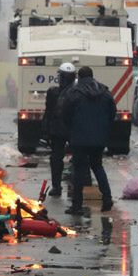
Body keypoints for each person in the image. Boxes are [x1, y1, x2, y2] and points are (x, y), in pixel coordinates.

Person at [61, 66, 115, 216]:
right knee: (97, 166)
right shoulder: (104, 92)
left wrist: (70, 130)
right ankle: (107, 198)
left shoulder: (74, 93)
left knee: (78, 170)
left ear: (79, 76)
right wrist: (104, 130)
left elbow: (65, 113)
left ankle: (76, 205)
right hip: (99, 138)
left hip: (79, 138)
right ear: (92, 76)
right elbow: (112, 113)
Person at [43, 63, 77, 197]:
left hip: (58, 131)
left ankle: (57, 187)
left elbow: (48, 112)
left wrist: (45, 131)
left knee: (56, 159)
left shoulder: (53, 92)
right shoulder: (77, 92)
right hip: (72, 130)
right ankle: (73, 188)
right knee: (76, 159)